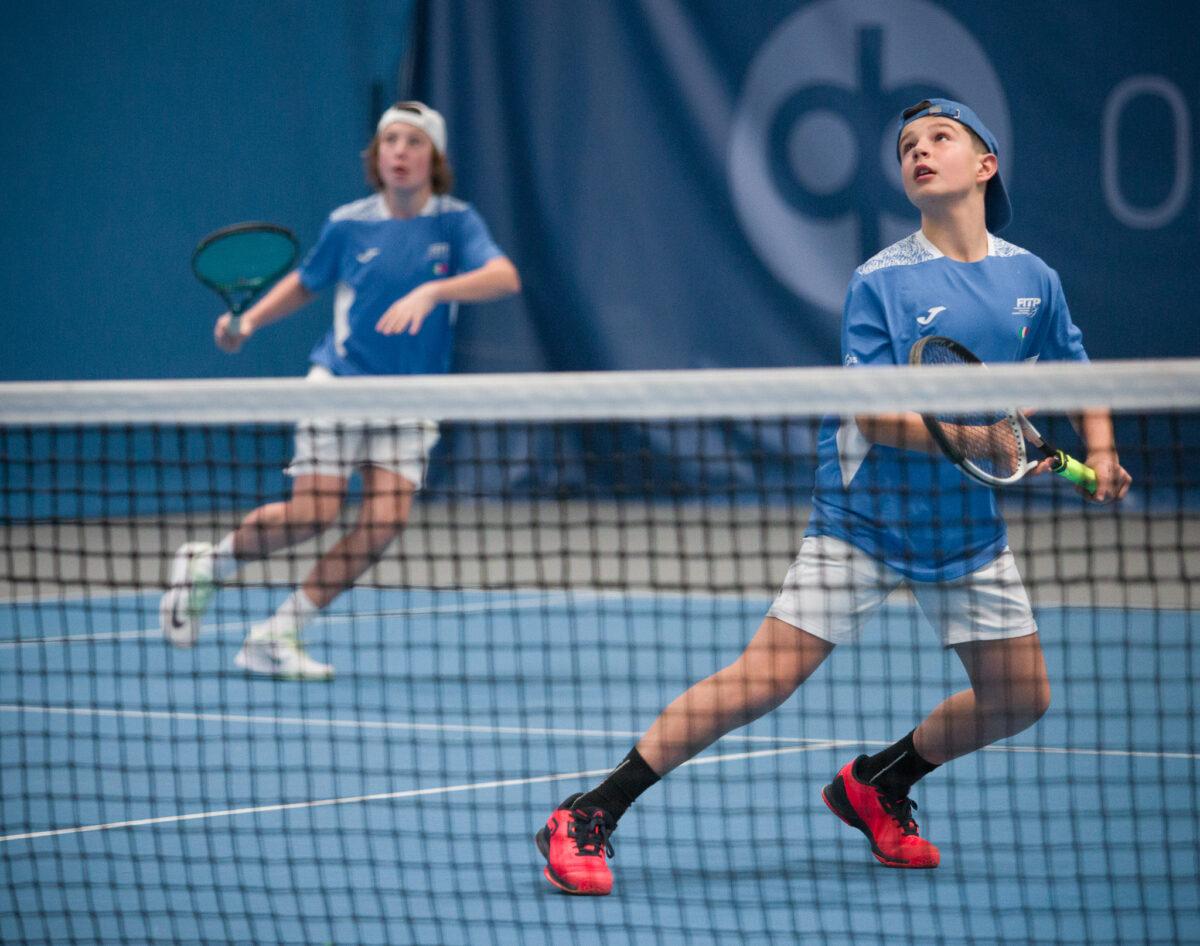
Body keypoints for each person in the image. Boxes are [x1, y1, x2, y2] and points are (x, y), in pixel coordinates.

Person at [535, 98, 1132, 895]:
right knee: (763, 678)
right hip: (866, 518)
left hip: (963, 525)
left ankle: (880, 782)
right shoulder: (881, 282)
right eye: (908, 145)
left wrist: (1102, 449)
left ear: (986, 165)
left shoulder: (1033, 278)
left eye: (941, 138)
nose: (919, 151)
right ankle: (589, 811)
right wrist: (980, 438)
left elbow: (1079, 367)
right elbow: (874, 417)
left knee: (1021, 697)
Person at [160, 101, 521, 679]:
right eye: (390, 141)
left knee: (383, 524)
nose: (400, 152)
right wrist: (247, 322)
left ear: (434, 157)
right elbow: (306, 284)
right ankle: (210, 565)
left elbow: (504, 277)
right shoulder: (349, 223)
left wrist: (433, 292)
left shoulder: (456, 222)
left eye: (414, 142)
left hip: (412, 400)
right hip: (341, 386)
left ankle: (277, 634)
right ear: (376, 155)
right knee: (314, 513)